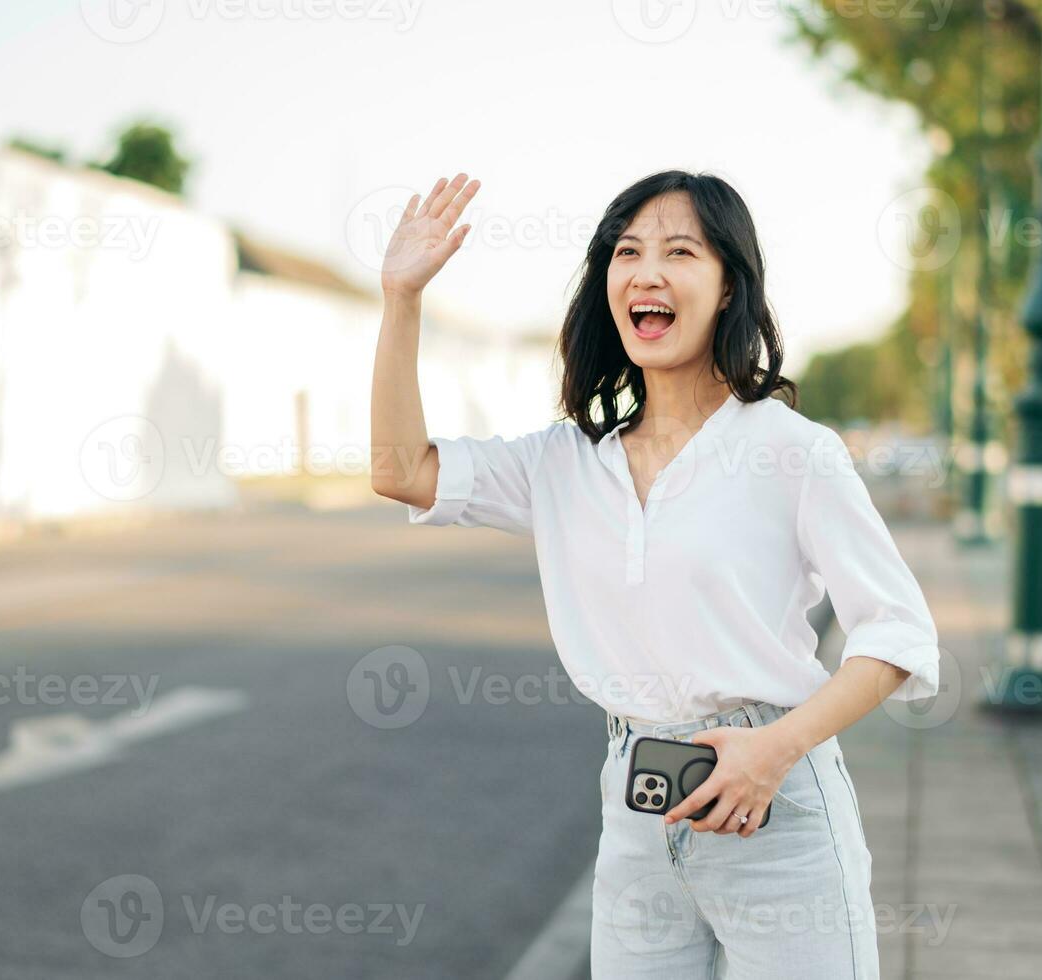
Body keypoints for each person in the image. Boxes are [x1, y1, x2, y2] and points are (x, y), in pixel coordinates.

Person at [370, 170, 940, 978]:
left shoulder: (791, 451)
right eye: (627, 251)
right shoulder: (567, 462)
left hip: (775, 810)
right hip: (636, 811)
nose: (647, 271)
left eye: (680, 252)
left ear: (728, 285)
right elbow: (402, 470)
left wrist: (774, 750)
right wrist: (402, 300)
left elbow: (896, 636)